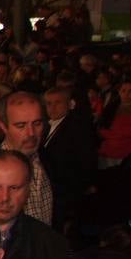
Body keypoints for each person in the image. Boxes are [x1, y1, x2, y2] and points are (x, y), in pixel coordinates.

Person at [39, 85, 96, 229]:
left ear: (70, 104)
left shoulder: (78, 127)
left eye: (58, 102)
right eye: (49, 103)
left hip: (65, 190)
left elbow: (85, 161)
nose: (52, 107)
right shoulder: (45, 125)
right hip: (49, 188)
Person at [0, 92, 53, 226]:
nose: (31, 133)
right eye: (21, 126)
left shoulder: (47, 158)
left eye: (37, 123)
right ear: (4, 126)